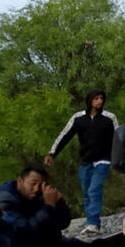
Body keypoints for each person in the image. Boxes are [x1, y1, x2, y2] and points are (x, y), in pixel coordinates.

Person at [44, 89, 118, 235]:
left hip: (103, 160)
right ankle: (90, 220)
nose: (99, 101)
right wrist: (52, 153)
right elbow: (65, 135)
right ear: (90, 100)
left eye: (102, 98)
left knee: (94, 190)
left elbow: (119, 138)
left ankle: (93, 224)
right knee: (86, 191)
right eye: (96, 98)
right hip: (85, 161)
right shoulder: (78, 118)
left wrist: (120, 158)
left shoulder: (109, 118)